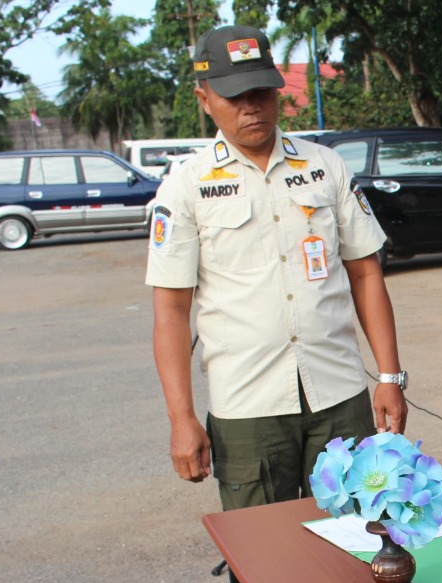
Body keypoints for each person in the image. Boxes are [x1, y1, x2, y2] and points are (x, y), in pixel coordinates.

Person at [147, 24, 407, 510]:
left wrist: (389, 377)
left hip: (339, 395)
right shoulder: (186, 188)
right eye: (234, 96)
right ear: (205, 99)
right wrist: (180, 418)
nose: (251, 107)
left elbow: (366, 274)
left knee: (357, 541)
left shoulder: (325, 167)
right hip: (247, 409)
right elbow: (169, 312)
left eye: (262, 93)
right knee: (263, 559)